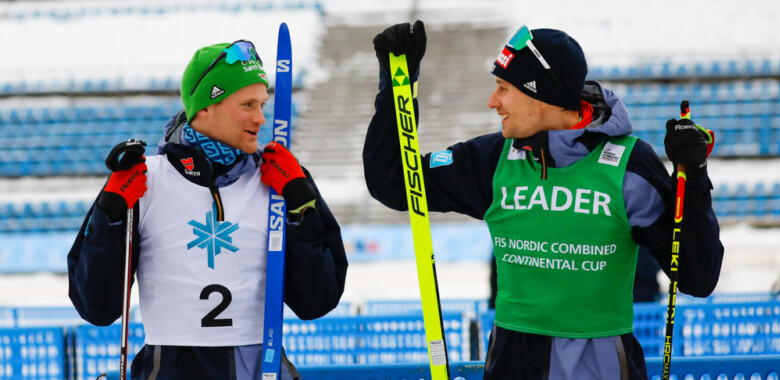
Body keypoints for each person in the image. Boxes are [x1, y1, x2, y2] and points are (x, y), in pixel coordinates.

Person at [365, 21, 723, 379]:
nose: (493, 102)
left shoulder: (629, 166)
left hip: (600, 364)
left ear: (541, 95)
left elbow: (696, 276)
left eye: (503, 89)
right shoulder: (494, 159)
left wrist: (692, 177)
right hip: (513, 362)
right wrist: (398, 86)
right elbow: (394, 181)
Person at [68, 39, 348, 380]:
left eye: (262, 104)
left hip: (259, 368)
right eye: (247, 104)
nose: (261, 118)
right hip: (170, 368)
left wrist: (302, 207)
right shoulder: (145, 179)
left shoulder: (280, 178)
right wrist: (109, 214)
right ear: (205, 108)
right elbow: (96, 307)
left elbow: (317, 301)